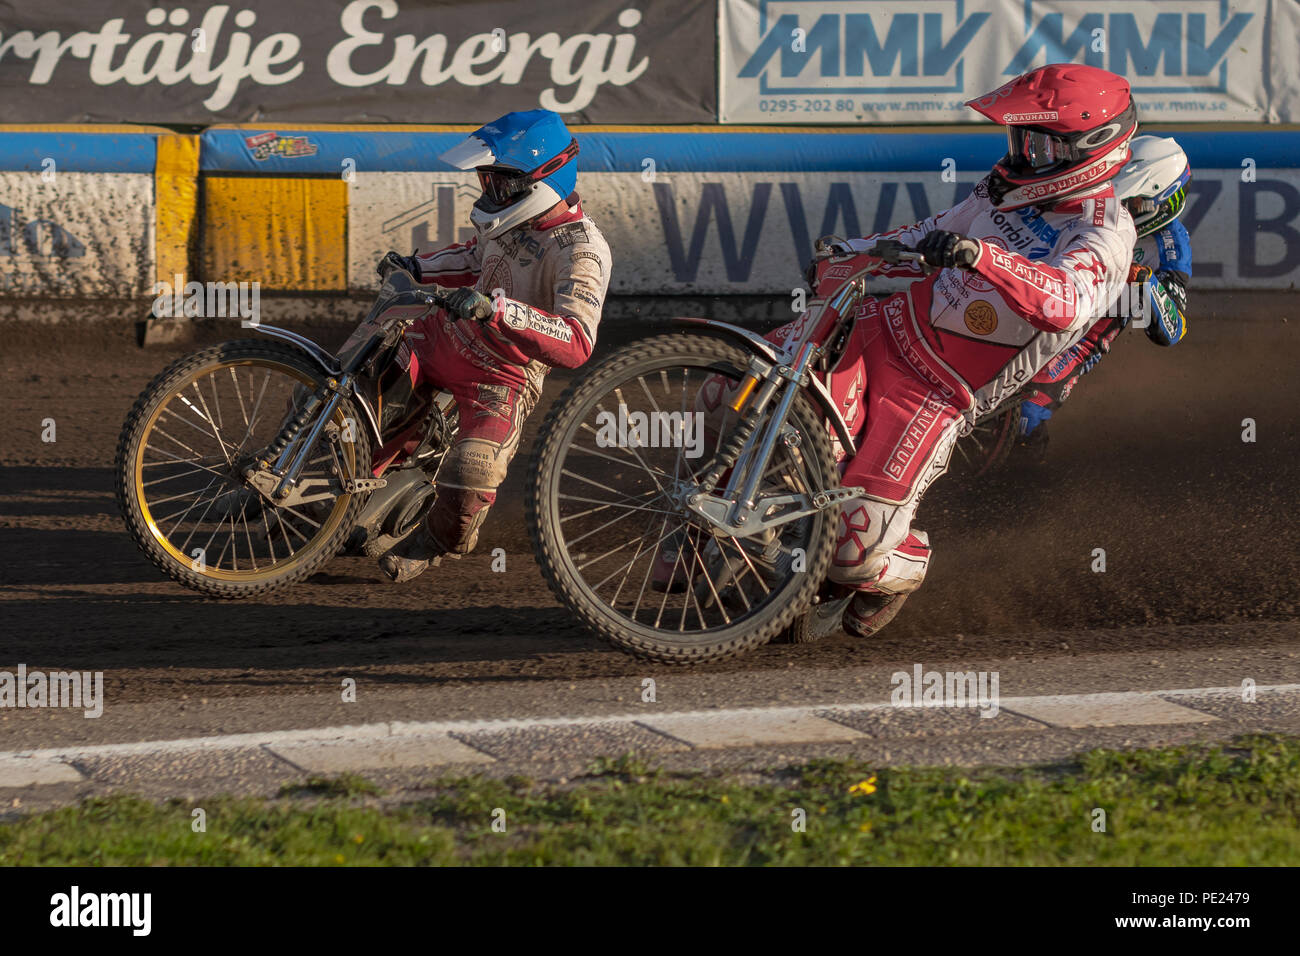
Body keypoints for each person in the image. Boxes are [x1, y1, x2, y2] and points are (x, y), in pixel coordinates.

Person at [800, 63, 1139, 637]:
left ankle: (900, 559)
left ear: (1089, 150)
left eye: (1037, 143)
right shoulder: (1006, 185)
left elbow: (1063, 303)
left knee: (851, 551)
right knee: (755, 400)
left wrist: (983, 256)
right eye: (1019, 139)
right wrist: (852, 250)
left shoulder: (1103, 234)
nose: (1021, 155)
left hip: (938, 392)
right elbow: (939, 226)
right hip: (884, 327)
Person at [341, 109, 612, 583]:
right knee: (354, 375)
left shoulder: (582, 250)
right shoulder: (508, 221)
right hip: (442, 335)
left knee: (474, 465)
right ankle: (286, 469)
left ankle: (432, 541)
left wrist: (500, 310)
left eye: (500, 183)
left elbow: (577, 341)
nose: (491, 193)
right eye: (488, 182)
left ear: (541, 177)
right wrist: (418, 267)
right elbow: (471, 257)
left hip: (504, 374)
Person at [1014, 135, 1191, 451]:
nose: (1118, 208)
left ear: (1162, 203)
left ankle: (1023, 480)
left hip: (1079, 337)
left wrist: (1143, 284)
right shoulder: (1095, 199)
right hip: (1042, 289)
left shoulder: (1171, 249)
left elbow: (1172, 331)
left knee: (1026, 415)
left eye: (1131, 204)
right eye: (1115, 195)